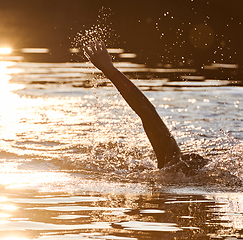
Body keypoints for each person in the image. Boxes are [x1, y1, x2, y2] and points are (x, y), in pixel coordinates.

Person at [83, 41, 207, 173]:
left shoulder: (170, 165)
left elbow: (147, 111)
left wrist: (110, 71)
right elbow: (147, 111)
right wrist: (110, 71)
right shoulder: (171, 161)